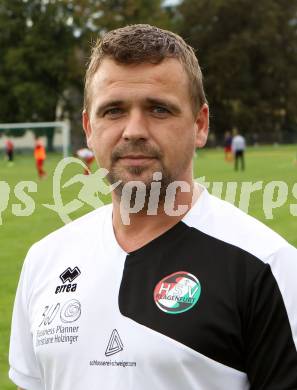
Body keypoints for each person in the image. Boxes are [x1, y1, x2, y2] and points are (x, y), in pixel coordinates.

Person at [9, 24, 297, 390]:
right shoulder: (44, 261)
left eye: (159, 109)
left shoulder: (268, 266)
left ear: (200, 125)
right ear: (88, 127)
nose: (133, 130)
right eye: (113, 111)